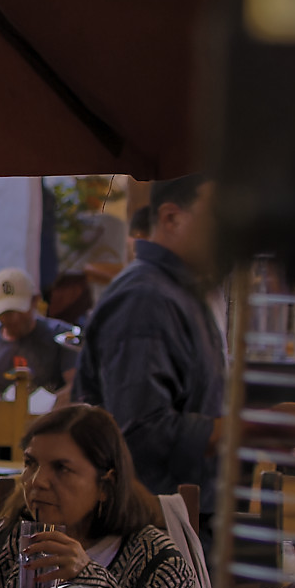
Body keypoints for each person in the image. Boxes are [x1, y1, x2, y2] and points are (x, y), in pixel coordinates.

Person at [0, 402, 213, 588]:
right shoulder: (12, 539)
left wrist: (91, 579)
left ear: (105, 486)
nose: (37, 481)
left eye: (61, 468)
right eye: (31, 463)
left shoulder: (156, 558)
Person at [78, 173, 227, 525]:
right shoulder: (146, 298)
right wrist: (250, 428)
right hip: (149, 530)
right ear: (171, 218)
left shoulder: (181, 292)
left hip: (185, 517)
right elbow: (139, 434)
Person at [0, 267, 77, 400]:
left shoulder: (62, 336)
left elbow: (76, 385)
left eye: (18, 310)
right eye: (6, 313)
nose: (14, 319)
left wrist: (49, 406)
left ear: (35, 300)